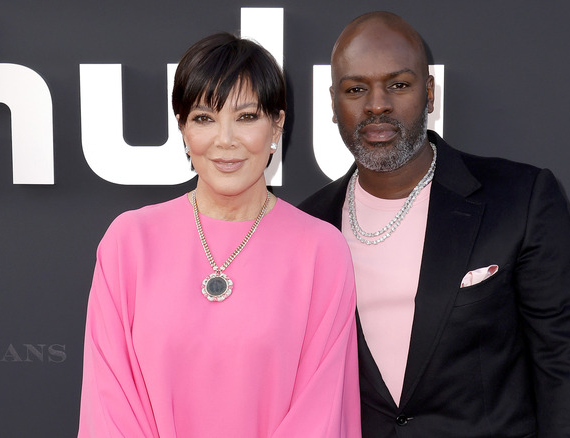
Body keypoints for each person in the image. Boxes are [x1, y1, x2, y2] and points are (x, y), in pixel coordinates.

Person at [299, 11, 570, 437]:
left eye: (398, 84)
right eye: (356, 89)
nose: (377, 105)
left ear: (429, 94)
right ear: (334, 104)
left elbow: (568, 360)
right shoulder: (309, 225)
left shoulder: (519, 198)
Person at [78, 32, 361, 438]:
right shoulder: (129, 243)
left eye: (246, 117)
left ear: (277, 124)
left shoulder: (320, 250)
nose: (225, 141)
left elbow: (321, 412)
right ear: (182, 127)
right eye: (204, 118)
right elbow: (109, 405)